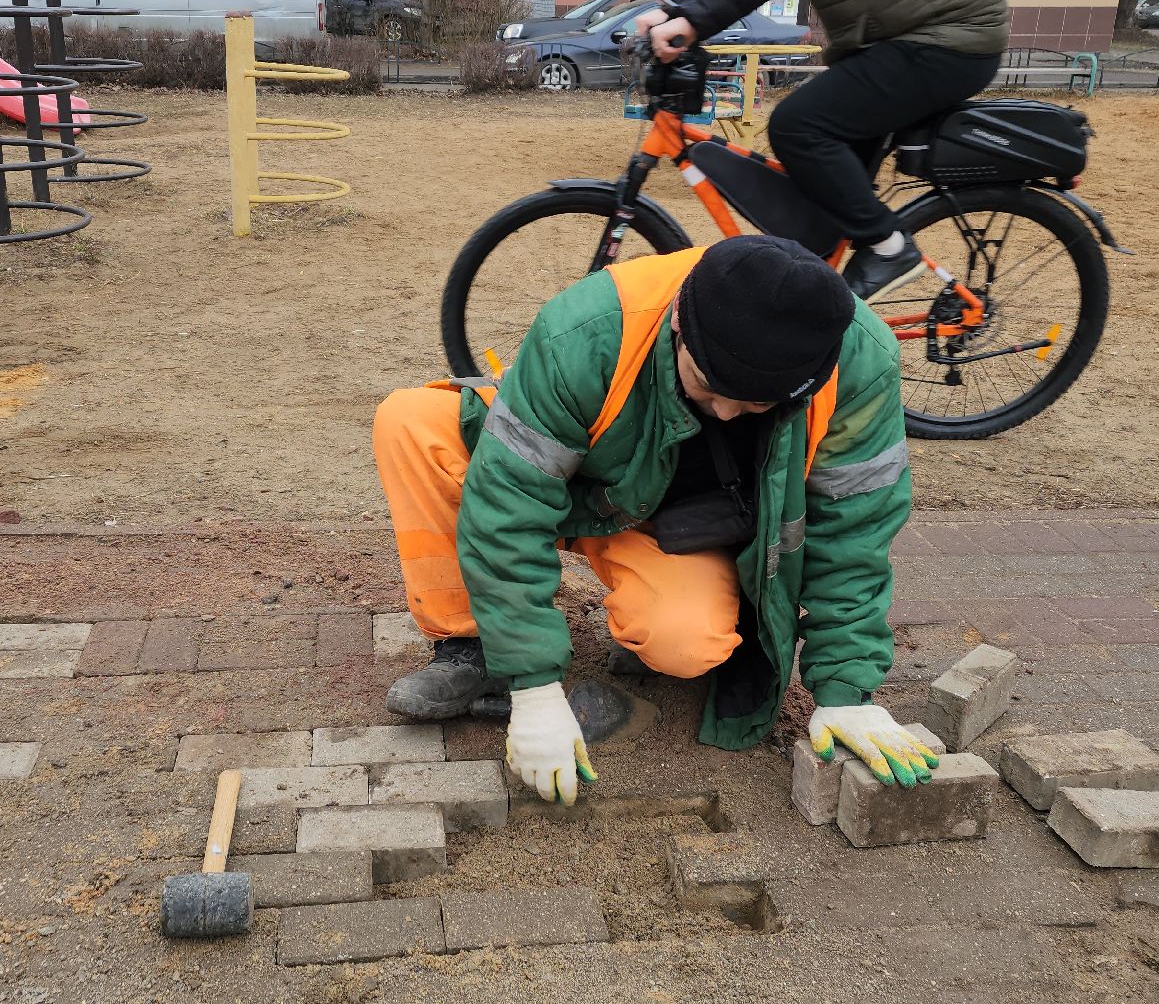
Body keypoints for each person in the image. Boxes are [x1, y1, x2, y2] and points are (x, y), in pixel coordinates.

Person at [372, 235, 932, 805]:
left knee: (688, 645)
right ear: (678, 329)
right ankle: (473, 648)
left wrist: (846, 692)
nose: (726, 413)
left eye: (758, 406)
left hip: (669, 524)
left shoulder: (859, 360)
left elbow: (854, 531)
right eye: (710, 388)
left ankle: (641, 620)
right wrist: (534, 688)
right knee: (412, 421)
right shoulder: (591, 329)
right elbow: (509, 507)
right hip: (577, 478)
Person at [634, 0, 1010, 300]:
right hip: (912, 37)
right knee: (824, 210)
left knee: (799, 126)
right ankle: (812, 315)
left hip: (943, 40)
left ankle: (891, 248)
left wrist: (692, 19)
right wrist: (678, 9)